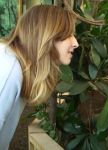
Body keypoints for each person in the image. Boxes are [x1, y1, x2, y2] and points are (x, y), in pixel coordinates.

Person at [0, 4, 79, 149]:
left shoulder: (18, 66)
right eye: (68, 34)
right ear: (46, 35)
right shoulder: (9, 70)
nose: (76, 43)